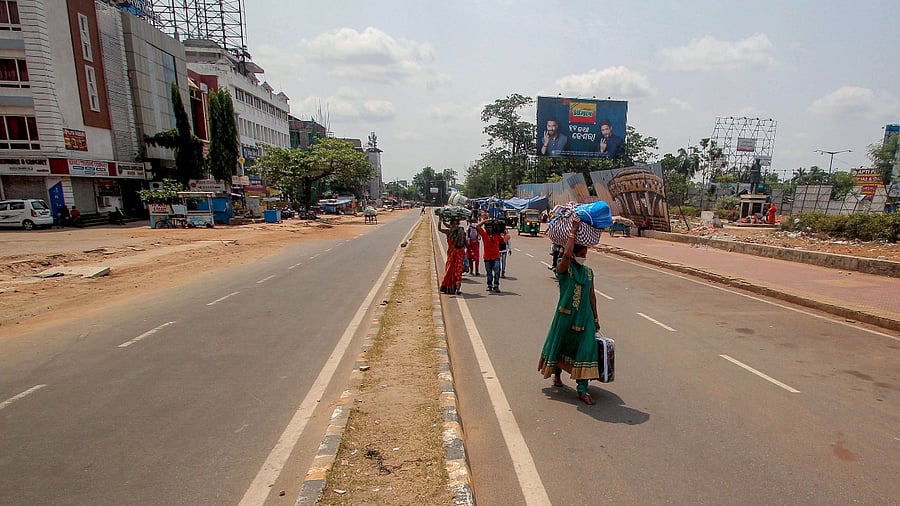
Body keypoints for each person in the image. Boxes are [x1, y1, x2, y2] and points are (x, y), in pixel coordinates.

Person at [538, 215, 601, 405]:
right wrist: (573, 231)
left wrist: (596, 318)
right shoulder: (563, 269)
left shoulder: (588, 272)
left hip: (585, 318)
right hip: (565, 315)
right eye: (581, 254)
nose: (584, 257)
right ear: (574, 253)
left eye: (585, 254)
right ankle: (557, 374)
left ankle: (582, 389)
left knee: (586, 349)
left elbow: (592, 296)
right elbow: (565, 256)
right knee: (561, 344)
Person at [438, 218, 467, 295]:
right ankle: (457, 289)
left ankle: (456, 288)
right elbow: (466, 243)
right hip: (459, 253)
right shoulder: (461, 231)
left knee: (452, 271)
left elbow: (440, 229)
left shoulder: (449, 231)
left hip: (453, 253)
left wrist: (440, 220)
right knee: (457, 272)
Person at [476, 218, 504, 292]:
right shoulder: (484, 234)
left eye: (490, 227)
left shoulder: (497, 235)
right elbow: (478, 226)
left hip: (496, 256)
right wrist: (485, 220)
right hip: (487, 257)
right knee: (489, 272)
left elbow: (503, 241)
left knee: (497, 271)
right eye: (487, 227)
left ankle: (496, 285)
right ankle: (489, 285)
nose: (489, 228)